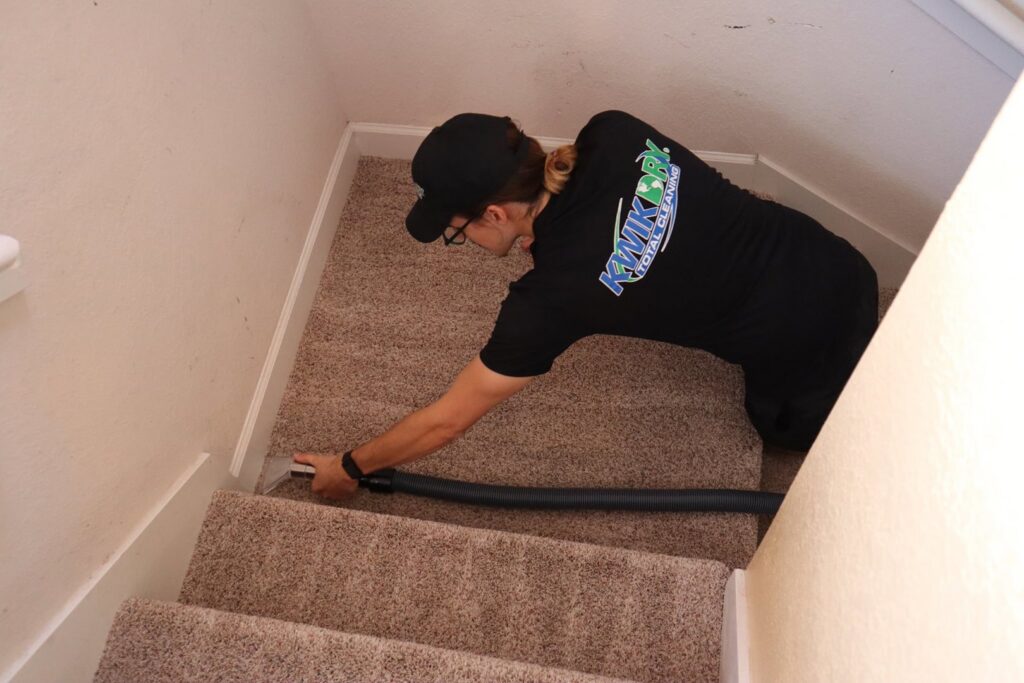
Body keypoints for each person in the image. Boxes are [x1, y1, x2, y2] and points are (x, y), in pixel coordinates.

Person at [294, 110, 879, 499]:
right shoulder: (614, 129)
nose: (462, 240)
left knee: (779, 429)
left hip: (813, 344)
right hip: (839, 260)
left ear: (494, 214)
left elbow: (446, 421)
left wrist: (350, 466)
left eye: (458, 230)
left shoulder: (551, 302)